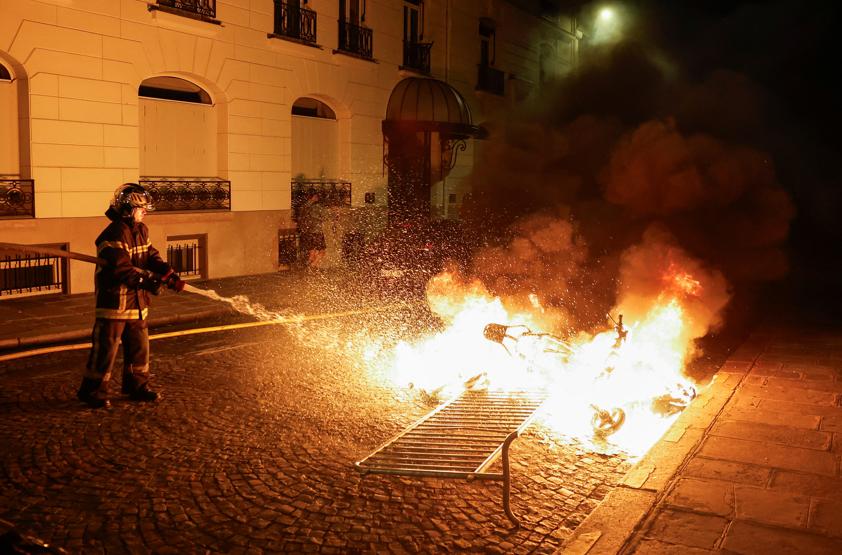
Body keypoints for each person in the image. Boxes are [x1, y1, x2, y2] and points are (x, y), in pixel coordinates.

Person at [76, 183, 185, 409]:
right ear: (128, 208)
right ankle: (92, 390)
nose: (145, 211)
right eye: (141, 207)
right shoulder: (114, 233)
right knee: (106, 349)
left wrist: (167, 272)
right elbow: (121, 269)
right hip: (115, 303)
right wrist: (149, 282)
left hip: (137, 303)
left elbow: (149, 255)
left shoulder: (140, 230)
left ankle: (137, 386)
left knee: (139, 347)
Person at [297, 188, 326, 268]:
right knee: (322, 251)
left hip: (307, 232)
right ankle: (313, 266)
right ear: (314, 196)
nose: (318, 198)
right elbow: (323, 217)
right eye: (316, 196)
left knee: (312, 251)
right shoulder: (316, 207)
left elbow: (300, 218)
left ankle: (309, 266)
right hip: (317, 232)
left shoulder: (304, 206)